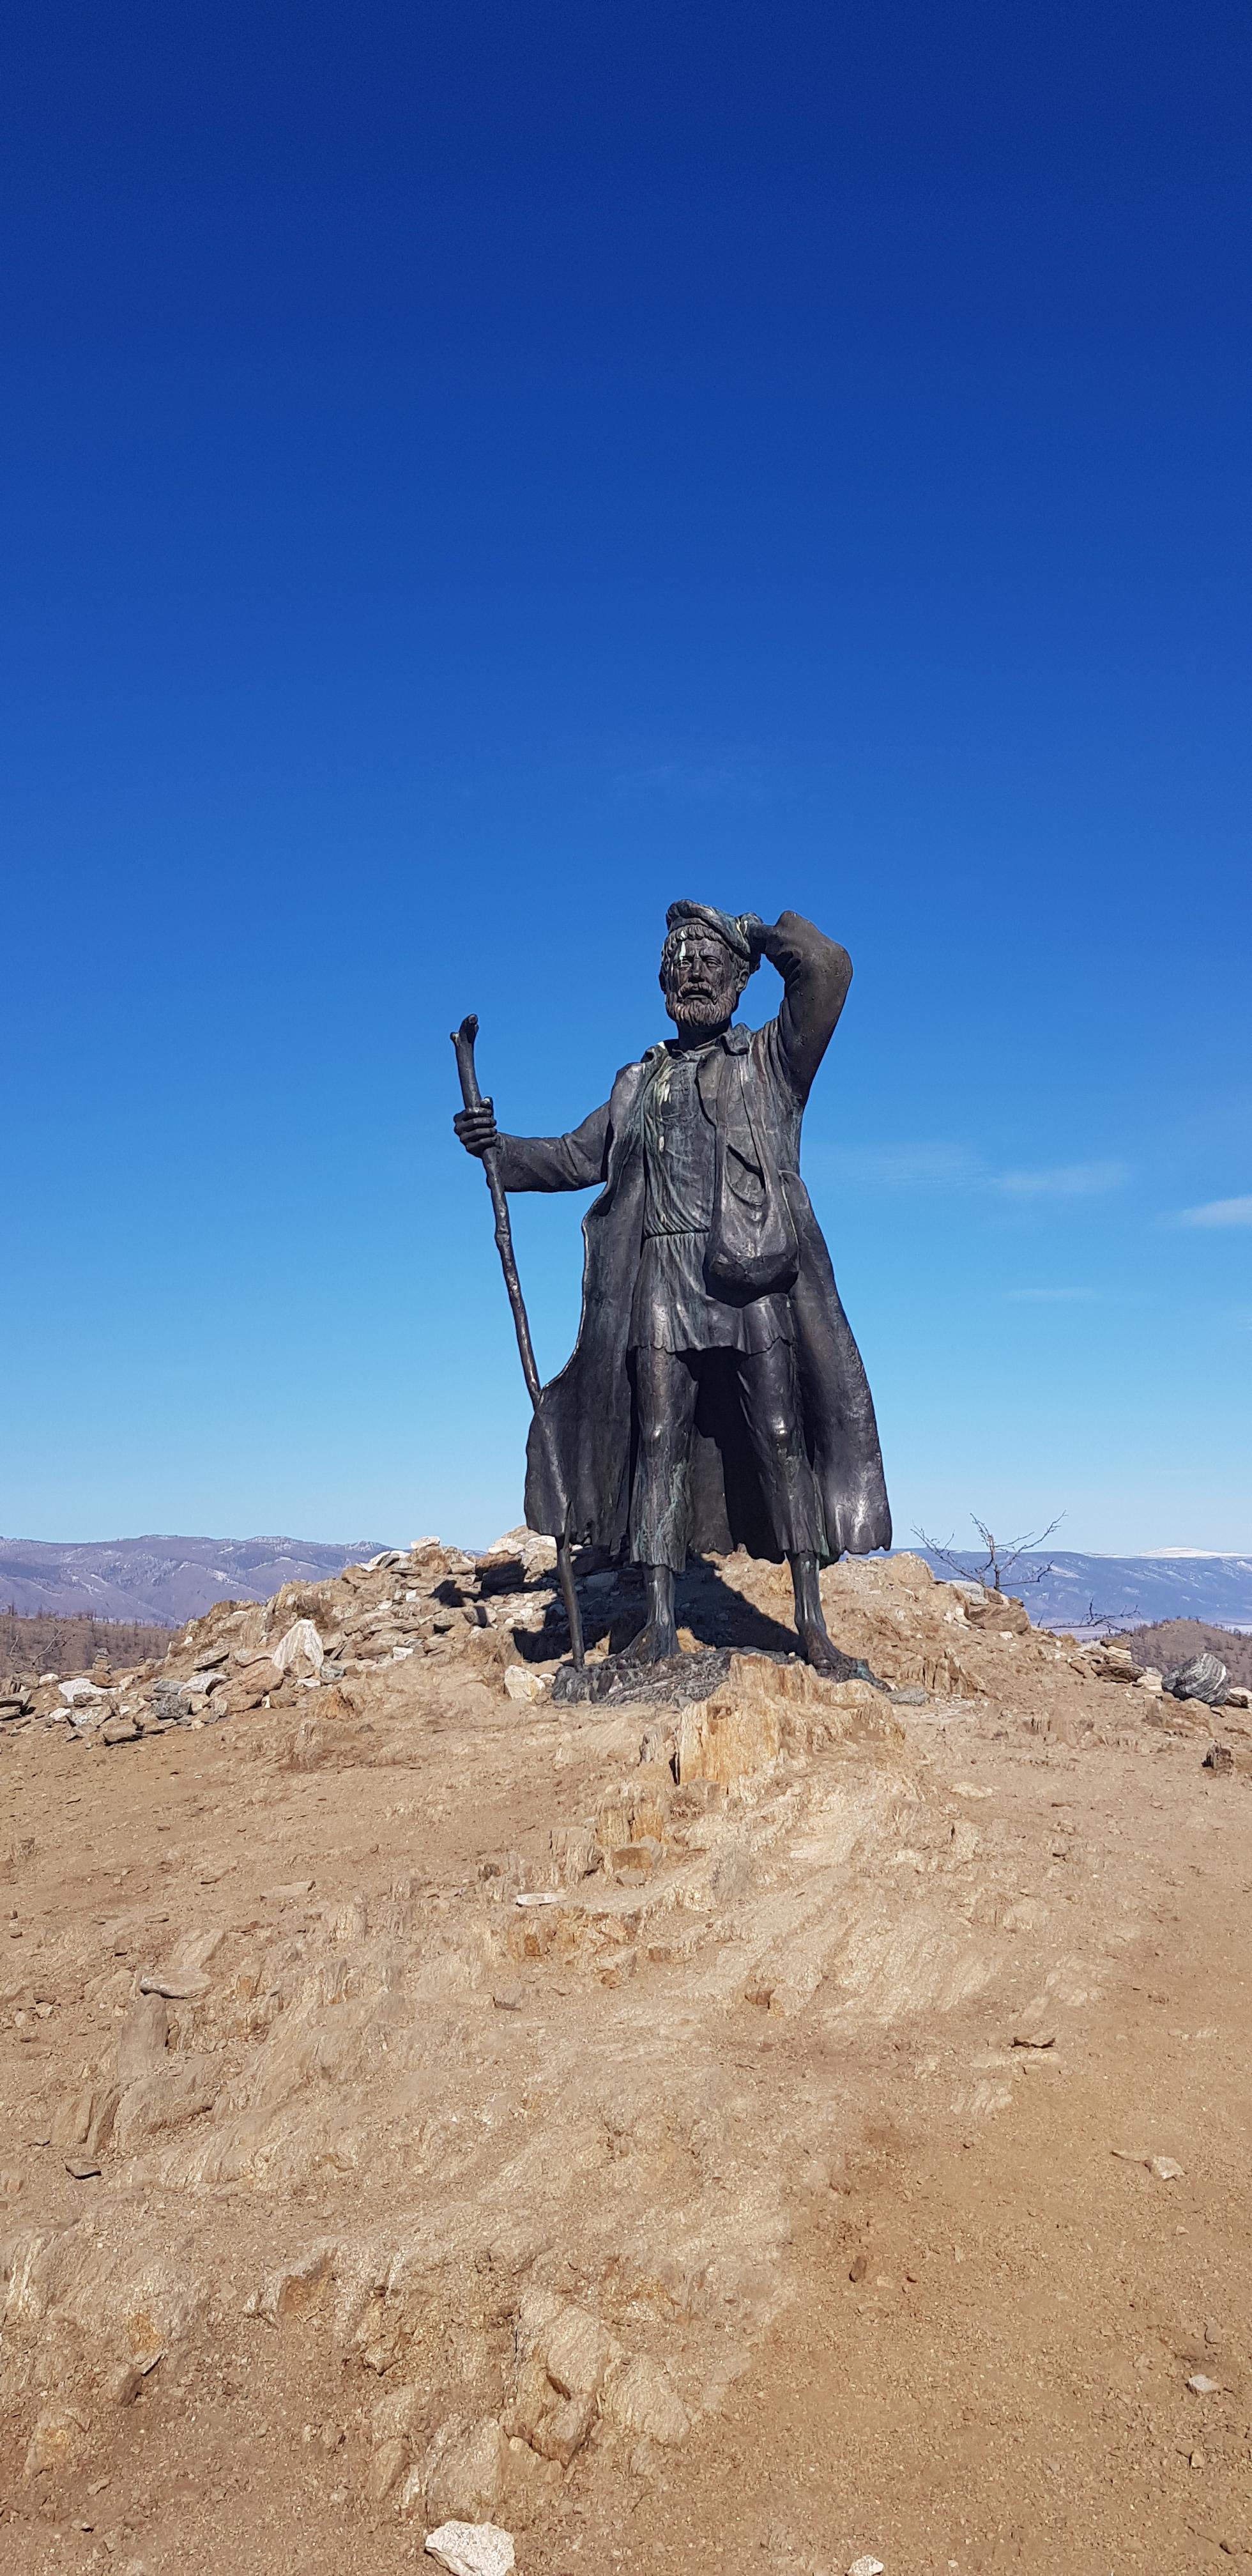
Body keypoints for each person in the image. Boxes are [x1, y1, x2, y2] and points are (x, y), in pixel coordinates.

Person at [454, 902, 890, 1667]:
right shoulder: (639, 1081)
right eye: (678, 962)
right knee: (657, 1442)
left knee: (781, 1437)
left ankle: (811, 1624)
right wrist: (498, 1149)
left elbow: (827, 970)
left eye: (708, 960)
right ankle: (657, 1627)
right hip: (661, 1274)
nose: (691, 972)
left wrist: (755, 933)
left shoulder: (772, 1059)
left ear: (738, 979)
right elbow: (572, 1157)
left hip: (751, 1276)